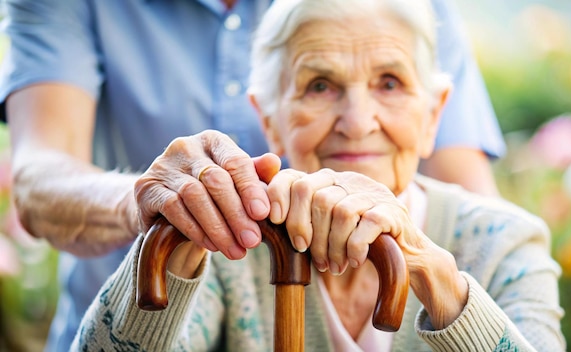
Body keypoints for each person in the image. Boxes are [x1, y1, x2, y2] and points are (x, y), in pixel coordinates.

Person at [0, 0, 504, 351]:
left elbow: (475, 216)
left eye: (389, 83)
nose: (357, 122)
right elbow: (39, 174)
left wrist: (443, 278)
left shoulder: (499, 241)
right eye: (320, 85)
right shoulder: (226, 262)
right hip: (136, 301)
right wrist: (163, 204)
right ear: (268, 120)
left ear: (435, 111)